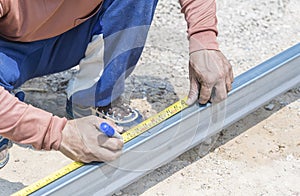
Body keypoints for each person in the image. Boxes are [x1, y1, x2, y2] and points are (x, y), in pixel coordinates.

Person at [0, 0, 233, 169]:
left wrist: (204, 39)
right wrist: (57, 133)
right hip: (7, 52)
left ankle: (94, 96)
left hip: (74, 30)